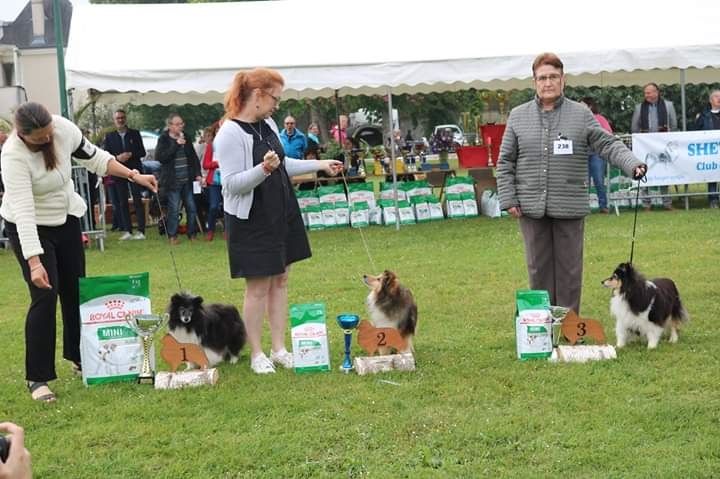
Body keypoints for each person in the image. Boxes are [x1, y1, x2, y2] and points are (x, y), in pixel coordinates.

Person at [0, 102, 157, 402]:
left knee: (75, 290)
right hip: (30, 226)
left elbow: (96, 159)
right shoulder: (12, 157)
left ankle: (79, 356)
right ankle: (38, 378)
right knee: (45, 296)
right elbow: (23, 211)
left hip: (66, 219)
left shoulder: (62, 128)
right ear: (23, 135)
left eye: (49, 133)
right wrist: (34, 262)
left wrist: (134, 176)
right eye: (40, 137)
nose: (48, 139)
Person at [213, 67, 343, 374]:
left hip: (281, 212)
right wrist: (263, 170)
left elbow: (284, 164)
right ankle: (257, 353)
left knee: (281, 280)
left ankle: (279, 347)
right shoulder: (229, 133)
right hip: (251, 219)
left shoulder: (267, 123)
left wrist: (320, 164)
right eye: (275, 98)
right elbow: (230, 184)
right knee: (258, 286)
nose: (277, 105)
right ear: (257, 95)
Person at [497, 53, 646, 314]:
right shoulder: (518, 116)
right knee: (538, 268)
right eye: (542, 78)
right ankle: (542, 326)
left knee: (569, 269)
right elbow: (505, 160)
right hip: (531, 207)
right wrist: (509, 199)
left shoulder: (581, 114)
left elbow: (607, 143)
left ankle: (568, 326)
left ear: (563, 79)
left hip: (569, 205)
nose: (548, 83)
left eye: (553, 77)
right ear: (534, 82)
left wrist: (632, 163)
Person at [155, 113, 202, 244]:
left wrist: (198, 174)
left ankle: (192, 234)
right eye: (177, 124)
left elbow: (193, 157)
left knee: (192, 208)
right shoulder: (163, 139)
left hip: (187, 179)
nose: (181, 126)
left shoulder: (186, 136)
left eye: (182, 124)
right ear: (170, 126)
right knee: (174, 209)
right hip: (172, 181)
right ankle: (172, 236)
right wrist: (176, 145)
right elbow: (160, 157)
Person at [102, 109, 148, 240]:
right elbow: (106, 154)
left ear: (125, 119)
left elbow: (142, 152)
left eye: (122, 118)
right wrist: (117, 158)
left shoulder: (134, 134)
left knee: (137, 199)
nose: (120, 120)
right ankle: (127, 229)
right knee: (122, 202)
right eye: (118, 118)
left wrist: (131, 154)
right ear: (114, 120)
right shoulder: (110, 136)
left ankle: (141, 230)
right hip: (119, 171)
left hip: (134, 170)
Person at [631, 82, 677, 210]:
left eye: (649, 92)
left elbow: (673, 125)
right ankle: (646, 204)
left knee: (664, 172)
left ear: (657, 92)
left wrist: (667, 140)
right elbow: (634, 127)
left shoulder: (668, 106)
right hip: (645, 146)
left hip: (663, 146)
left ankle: (667, 203)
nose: (646, 95)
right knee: (644, 172)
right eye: (645, 93)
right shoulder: (639, 107)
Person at [580, 97, 612, 213]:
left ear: (590, 106)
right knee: (584, 182)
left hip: (597, 154)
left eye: (582, 104)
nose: (579, 106)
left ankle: (603, 206)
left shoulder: (600, 118)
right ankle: (583, 207)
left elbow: (608, 132)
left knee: (599, 180)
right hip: (582, 154)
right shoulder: (577, 119)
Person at [693, 89, 720, 208]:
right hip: (710, 151)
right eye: (716, 96)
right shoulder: (703, 116)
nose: (719, 99)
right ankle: (713, 199)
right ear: (710, 100)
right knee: (712, 174)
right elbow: (695, 132)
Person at [202, 121, 222, 240]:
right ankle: (210, 230)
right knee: (214, 206)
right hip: (214, 181)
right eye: (217, 131)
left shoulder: (231, 145)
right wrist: (217, 163)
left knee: (227, 208)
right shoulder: (211, 146)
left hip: (227, 180)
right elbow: (205, 164)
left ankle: (227, 231)